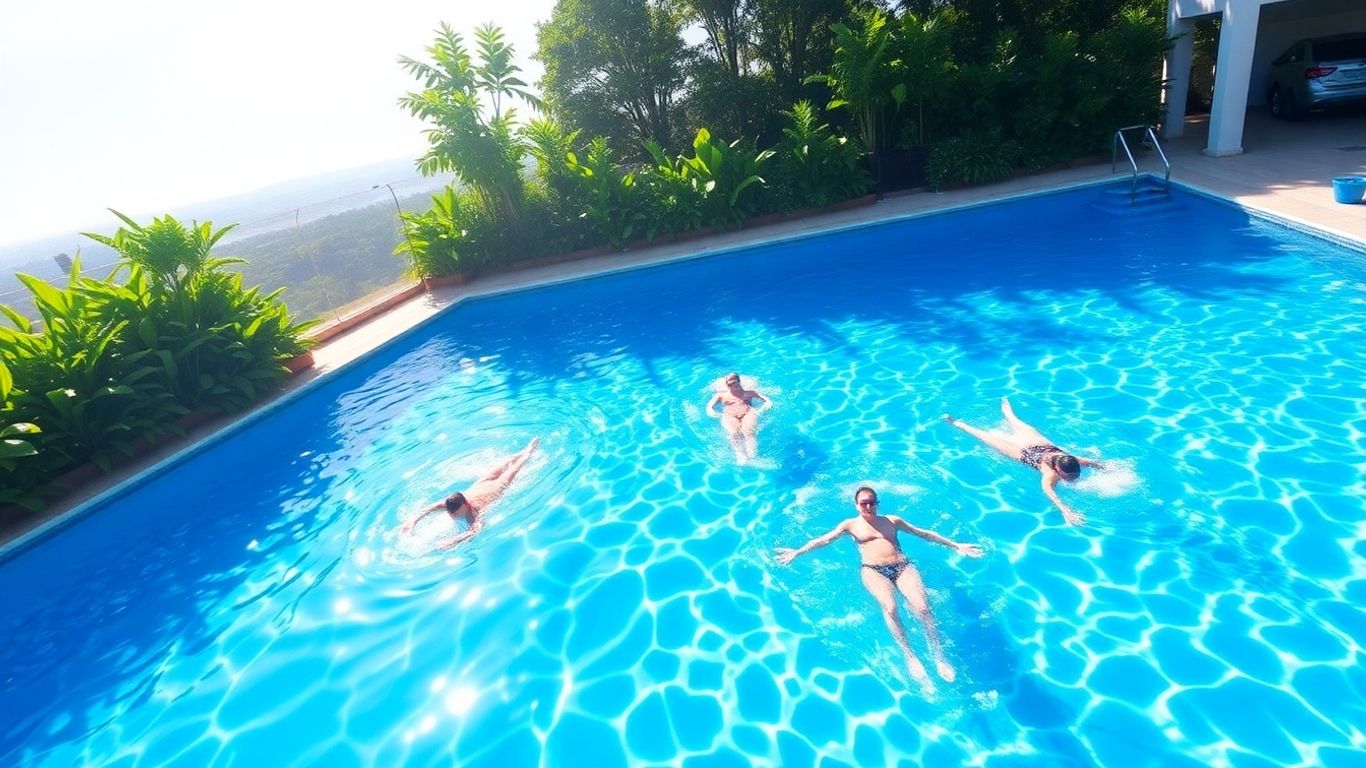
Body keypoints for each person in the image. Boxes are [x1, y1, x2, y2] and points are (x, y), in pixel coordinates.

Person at [775, 486, 984, 691]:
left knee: (922, 608)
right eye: (863, 503)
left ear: (877, 503)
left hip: (902, 567)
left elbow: (923, 533)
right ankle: (910, 656)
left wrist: (956, 545)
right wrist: (798, 552)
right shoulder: (850, 525)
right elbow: (824, 539)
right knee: (891, 608)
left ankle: (939, 656)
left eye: (871, 502)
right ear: (856, 505)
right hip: (873, 570)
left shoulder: (891, 521)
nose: (867, 506)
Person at [943, 397, 1103, 526]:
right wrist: (1065, 510)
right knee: (984, 436)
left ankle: (1004, 404)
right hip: (1022, 453)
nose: (1073, 479)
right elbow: (1049, 492)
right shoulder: (1050, 474)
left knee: (1013, 419)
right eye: (1069, 477)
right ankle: (956, 423)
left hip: (1041, 445)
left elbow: (1090, 462)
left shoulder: (1071, 459)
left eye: (1075, 475)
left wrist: (1104, 467)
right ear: (1059, 470)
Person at [402, 437, 539, 548]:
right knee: (499, 467)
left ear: (466, 504)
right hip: (482, 483)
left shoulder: (473, 512)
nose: (452, 515)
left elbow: (477, 529)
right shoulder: (451, 503)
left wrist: (454, 540)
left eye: (455, 513)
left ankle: (529, 451)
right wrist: (412, 521)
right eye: (451, 513)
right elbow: (430, 508)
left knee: (514, 469)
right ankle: (520, 452)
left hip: (497, 486)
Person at [705, 372, 771, 463]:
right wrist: (711, 411)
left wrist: (766, 405)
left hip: (748, 413)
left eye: (734, 383)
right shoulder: (721, 395)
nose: (732, 386)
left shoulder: (749, 393)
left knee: (748, 432)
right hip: (730, 415)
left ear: (739, 381)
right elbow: (710, 405)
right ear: (727, 385)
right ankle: (740, 454)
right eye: (729, 384)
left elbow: (765, 399)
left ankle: (752, 456)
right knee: (733, 433)